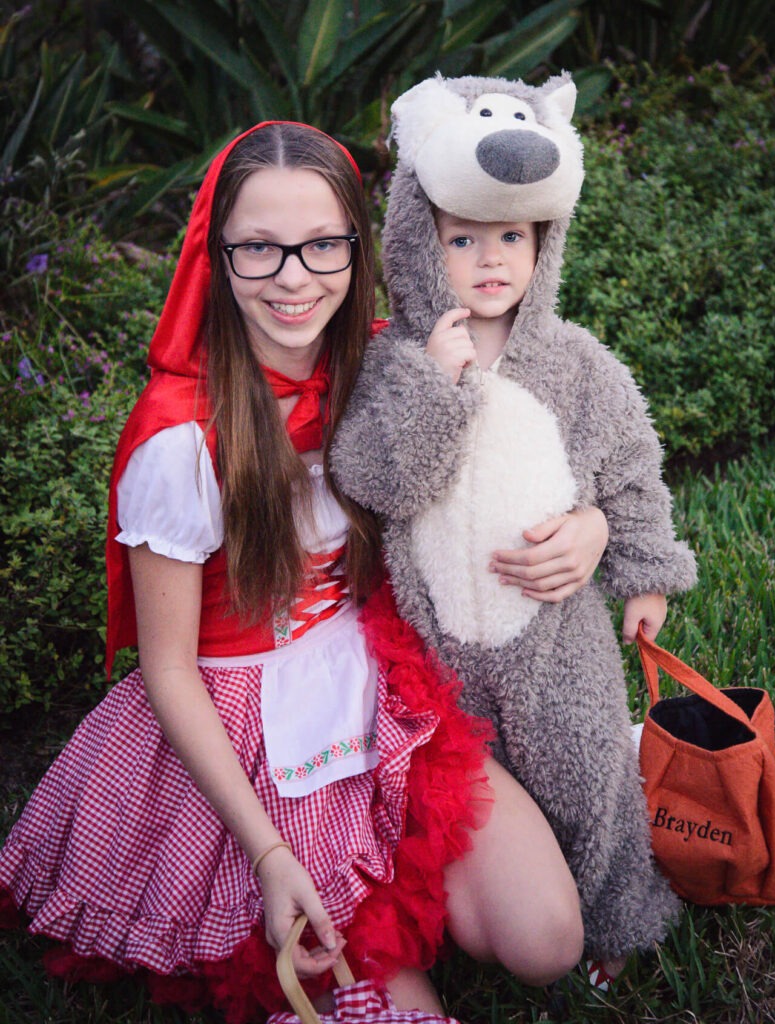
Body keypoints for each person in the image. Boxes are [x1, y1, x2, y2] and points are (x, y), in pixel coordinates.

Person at [0, 120, 603, 1023]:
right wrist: (269, 852)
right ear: (217, 254)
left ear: (361, 248)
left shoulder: (397, 365)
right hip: (246, 725)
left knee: (547, 942)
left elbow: (550, 454)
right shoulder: (180, 436)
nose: (293, 277)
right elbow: (165, 669)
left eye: (322, 244)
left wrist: (590, 529)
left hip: (379, 679)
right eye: (260, 248)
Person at [331, 73, 698, 984]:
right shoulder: (393, 363)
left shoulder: (578, 367)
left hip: (554, 633)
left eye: (511, 237)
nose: (491, 259)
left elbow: (630, 472)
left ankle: (619, 914)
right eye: (463, 239)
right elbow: (375, 479)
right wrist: (434, 383)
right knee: (481, 778)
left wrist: (641, 570)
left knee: (584, 772)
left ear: (544, 243)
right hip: (439, 644)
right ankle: (489, 893)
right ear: (421, 245)